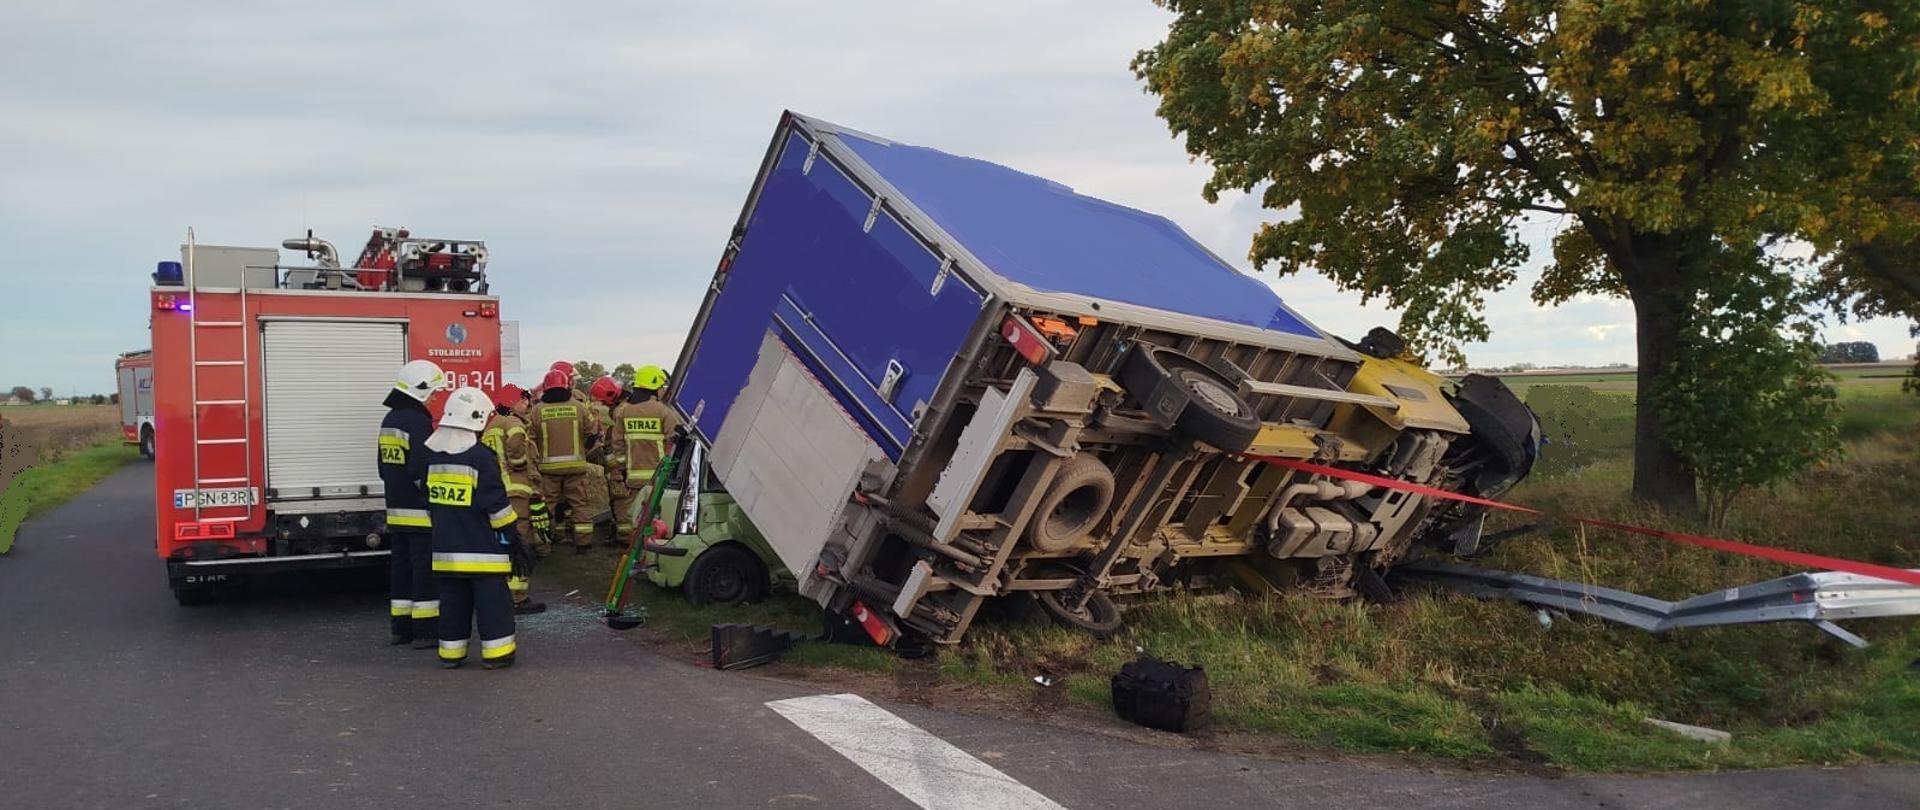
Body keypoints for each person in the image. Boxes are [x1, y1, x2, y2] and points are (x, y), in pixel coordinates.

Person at [422, 387, 522, 669]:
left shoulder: (434, 457)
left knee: (453, 603)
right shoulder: (480, 458)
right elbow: (496, 505)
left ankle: (451, 655)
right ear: (478, 419)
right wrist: (513, 534)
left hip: (445, 550)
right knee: (493, 604)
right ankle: (497, 655)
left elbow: (429, 502)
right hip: (483, 552)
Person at [378, 359, 446, 648]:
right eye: (432, 392)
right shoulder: (417, 421)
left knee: (401, 570)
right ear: (419, 390)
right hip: (419, 513)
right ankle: (426, 631)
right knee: (424, 571)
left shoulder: (389, 420)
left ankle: (401, 628)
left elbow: (383, 468)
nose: (435, 397)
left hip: (396, 509)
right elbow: (422, 468)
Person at [482, 384, 546, 615]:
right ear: (513, 402)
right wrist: (520, 465)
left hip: (497, 491)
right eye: (524, 400)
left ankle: (502, 592)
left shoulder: (491, 424)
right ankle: (517, 597)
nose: (527, 404)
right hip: (516, 491)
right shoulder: (513, 423)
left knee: (503, 542)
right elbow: (517, 452)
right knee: (521, 541)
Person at [528, 369, 599, 552]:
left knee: (546, 507)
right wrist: (585, 450)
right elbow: (593, 432)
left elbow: (530, 439)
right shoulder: (579, 407)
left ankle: (543, 545)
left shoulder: (536, 411)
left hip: (547, 469)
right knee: (579, 505)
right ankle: (583, 544)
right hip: (576, 467)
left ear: (546, 388)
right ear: (566, 385)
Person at [606, 365, 680, 539]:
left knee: (636, 517)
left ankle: (633, 548)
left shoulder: (625, 413)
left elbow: (617, 445)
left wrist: (625, 470)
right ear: (655, 387)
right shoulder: (664, 412)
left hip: (633, 478)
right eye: (662, 387)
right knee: (658, 518)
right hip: (659, 477)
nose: (663, 390)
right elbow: (675, 442)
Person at [588, 375, 628, 542]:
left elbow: (619, 442)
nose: (603, 405)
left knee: (621, 498)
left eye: (604, 401)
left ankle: (624, 536)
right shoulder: (626, 405)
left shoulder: (620, 411)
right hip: (628, 461)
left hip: (623, 464)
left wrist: (616, 471)